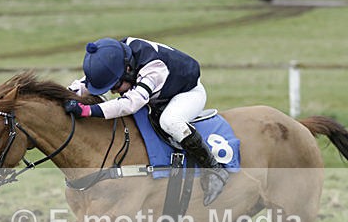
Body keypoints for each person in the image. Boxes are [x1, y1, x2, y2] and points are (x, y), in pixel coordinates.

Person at [64, 37, 228, 206]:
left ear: (128, 69)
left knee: (170, 122)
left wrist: (88, 110)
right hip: (156, 96)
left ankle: (214, 170)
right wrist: (64, 96)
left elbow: (131, 103)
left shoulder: (154, 67)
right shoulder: (113, 55)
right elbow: (86, 83)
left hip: (187, 93)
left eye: (116, 86)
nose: (113, 92)